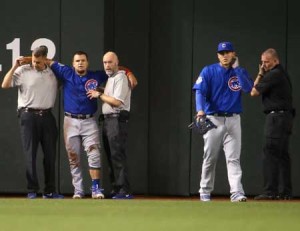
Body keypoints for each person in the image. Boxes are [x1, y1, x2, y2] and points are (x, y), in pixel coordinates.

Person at [48, 51, 137, 199]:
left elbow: (114, 67)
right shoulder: (66, 73)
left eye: (83, 60)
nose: (80, 63)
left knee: (95, 154)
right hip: (70, 120)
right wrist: (25, 60)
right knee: (73, 157)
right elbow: (46, 61)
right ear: (73, 63)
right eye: (77, 61)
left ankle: (96, 188)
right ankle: (78, 190)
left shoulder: (98, 75)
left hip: (90, 120)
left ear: (87, 63)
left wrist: (128, 71)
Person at [192, 42, 253, 202]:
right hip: (214, 118)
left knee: (233, 158)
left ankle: (236, 192)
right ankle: (205, 191)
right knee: (210, 157)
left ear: (234, 54)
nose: (225, 55)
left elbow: (248, 88)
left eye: (228, 52)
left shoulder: (239, 71)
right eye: (221, 53)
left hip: (234, 119)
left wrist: (238, 69)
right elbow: (199, 92)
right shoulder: (209, 70)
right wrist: (200, 110)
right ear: (218, 55)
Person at [1, 46, 64, 199]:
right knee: (30, 155)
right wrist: (16, 65)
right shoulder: (23, 70)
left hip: (48, 116)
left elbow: (65, 72)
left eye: (38, 61)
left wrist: (36, 60)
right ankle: (32, 190)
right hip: (28, 116)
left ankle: (49, 191)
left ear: (45, 59)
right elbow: (5, 84)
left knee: (50, 155)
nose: (35, 63)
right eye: (33, 60)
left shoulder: (53, 71)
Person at [87, 51, 133, 199]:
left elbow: (117, 102)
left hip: (117, 119)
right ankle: (116, 189)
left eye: (110, 62)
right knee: (110, 156)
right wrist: (101, 90)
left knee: (117, 155)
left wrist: (99, 95)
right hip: (108, 120)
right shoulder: (111, 79)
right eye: (105, 62)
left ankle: (124, 191)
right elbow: (111, 95)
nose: (107, 65)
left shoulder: (121, 77)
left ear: (116, 63)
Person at [251, 48, 295, 200]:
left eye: (267, 62)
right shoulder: (282, 73)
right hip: (285, 118)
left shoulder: (273, 74)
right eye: (262, 62)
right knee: (282, 155)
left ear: (276, 61)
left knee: (270, 153)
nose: (264, 65)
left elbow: (254, 92)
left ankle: (270, 192)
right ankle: (286, 192)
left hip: (276, 118)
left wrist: (260, 74)